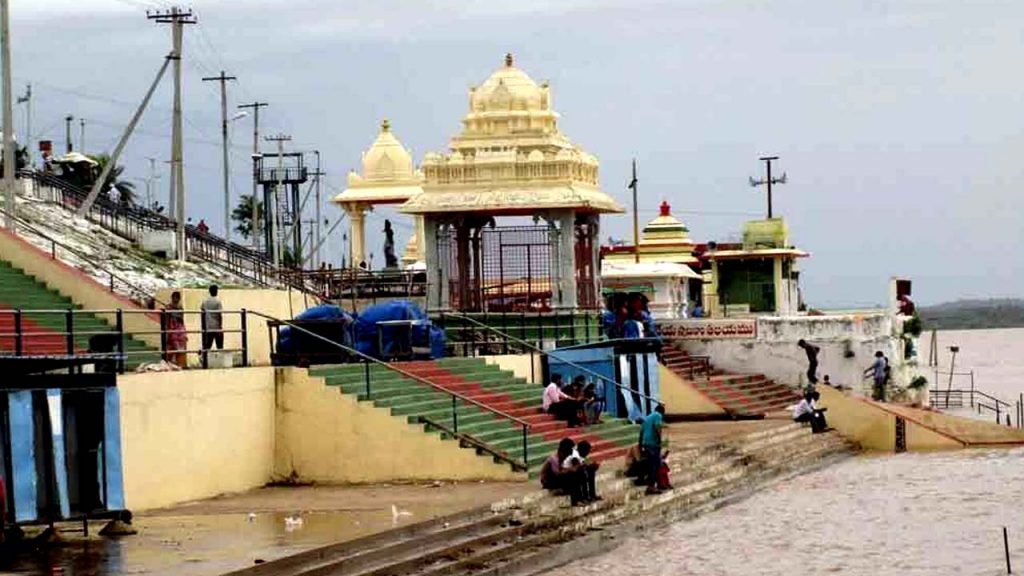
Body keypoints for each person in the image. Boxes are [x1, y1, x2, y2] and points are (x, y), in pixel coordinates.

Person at [539, 438, 585, 505]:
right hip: (548, 481)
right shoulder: (554, 459)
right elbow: (558, 473)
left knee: (580, 473)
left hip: (557, 478)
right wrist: (570, 470)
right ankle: (575, 500)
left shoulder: (563, 458)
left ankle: (582, 497)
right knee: (573, 476)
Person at [640, 404, 666, 495]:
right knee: (654, 466)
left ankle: (655, 484)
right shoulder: (658, 415)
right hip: (653, 444)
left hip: (646, 444)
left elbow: (641, 432)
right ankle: (651, 486)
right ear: (662, 412)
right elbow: (657, 427)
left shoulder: (647, 418)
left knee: (653, 464)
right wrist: (659, 440)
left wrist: (640, 446)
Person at [200, 284, 224, 364]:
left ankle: (204, 361)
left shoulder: (205, 301)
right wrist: (220, 327)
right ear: (216, 291)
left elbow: (202, 312)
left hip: (208, 326)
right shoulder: (218, 301)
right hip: (216, 326)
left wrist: (203, 325)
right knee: (219, 346)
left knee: (207, 346)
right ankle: (220, 361)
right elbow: (219, 315)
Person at [163, 291, 188, 368]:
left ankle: (180, 364)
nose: (176, 300)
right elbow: (167, 319)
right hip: (172, 327)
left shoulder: (180, 307)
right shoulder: (168, 307)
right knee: (171, 346)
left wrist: (184, 330)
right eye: (174, 298)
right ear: (172, 298)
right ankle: (169, 363)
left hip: (179, 328)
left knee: (182, 344)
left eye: (177, 298)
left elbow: (182, 319)